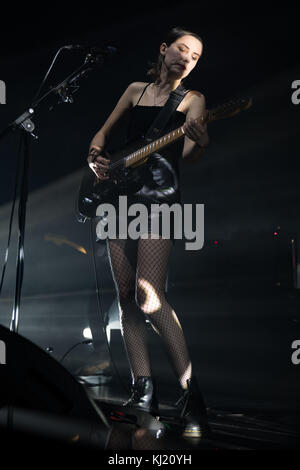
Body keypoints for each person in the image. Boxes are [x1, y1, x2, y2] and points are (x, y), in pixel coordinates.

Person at [87, 26, 210, 439]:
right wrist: (94, 157)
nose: (186, 59)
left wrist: (200, 137)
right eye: (181, 49)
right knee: (125, 296)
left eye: (194, 56)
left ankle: (191, 392)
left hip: (160, 202)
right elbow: (102, 135)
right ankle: (144, 391)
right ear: (164, 49)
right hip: (120, 198)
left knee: (148, 293)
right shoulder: (135, 90)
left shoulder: (193, 100)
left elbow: (189, 155)